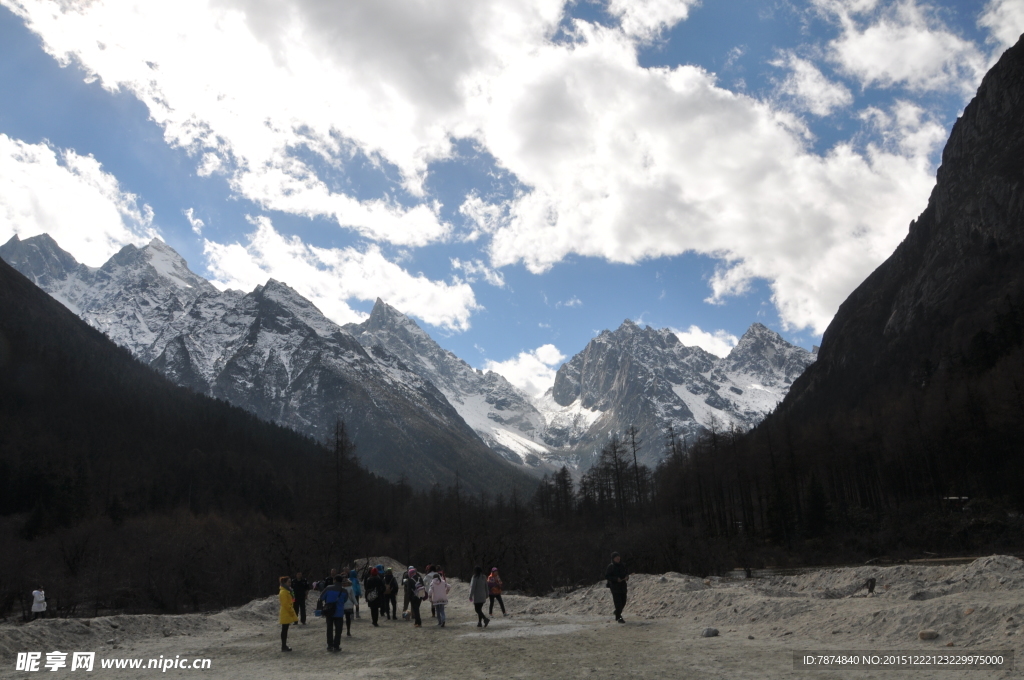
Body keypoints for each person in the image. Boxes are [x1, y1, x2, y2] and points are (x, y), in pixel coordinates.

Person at [317, 575, 348, 652]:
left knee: (329, 628)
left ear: (334, 580)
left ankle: (330, 645)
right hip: (339, 612)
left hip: (329, 611)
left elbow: (321, 597)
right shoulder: (344, 591)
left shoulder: (328, 588)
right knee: (338, 630)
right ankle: (336, 645)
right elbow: (345, 600)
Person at [605, 552, 629, 623]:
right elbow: (607, 576)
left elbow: (626, 572)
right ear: (613, 559)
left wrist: (627, 577)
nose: (618, 558)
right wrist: (616, 579)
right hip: (615, 587)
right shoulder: (610, 566)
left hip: (623, 586)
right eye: (616, 557)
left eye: (618, 557)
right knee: (618, 603)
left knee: (623, 602)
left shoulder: (623, 565)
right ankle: (618, 617)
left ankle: (617, 612)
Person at [278, 576, 298, 651]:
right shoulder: (283, 592)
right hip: (286, 612)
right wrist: (292, 611)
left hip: (287, 612)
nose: (290, 583)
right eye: (289, 582)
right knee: (284, 629)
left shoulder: (287, 591)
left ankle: (284, 645)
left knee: (285, 629)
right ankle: (283, 646)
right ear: (285, 582)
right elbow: (285, 604)